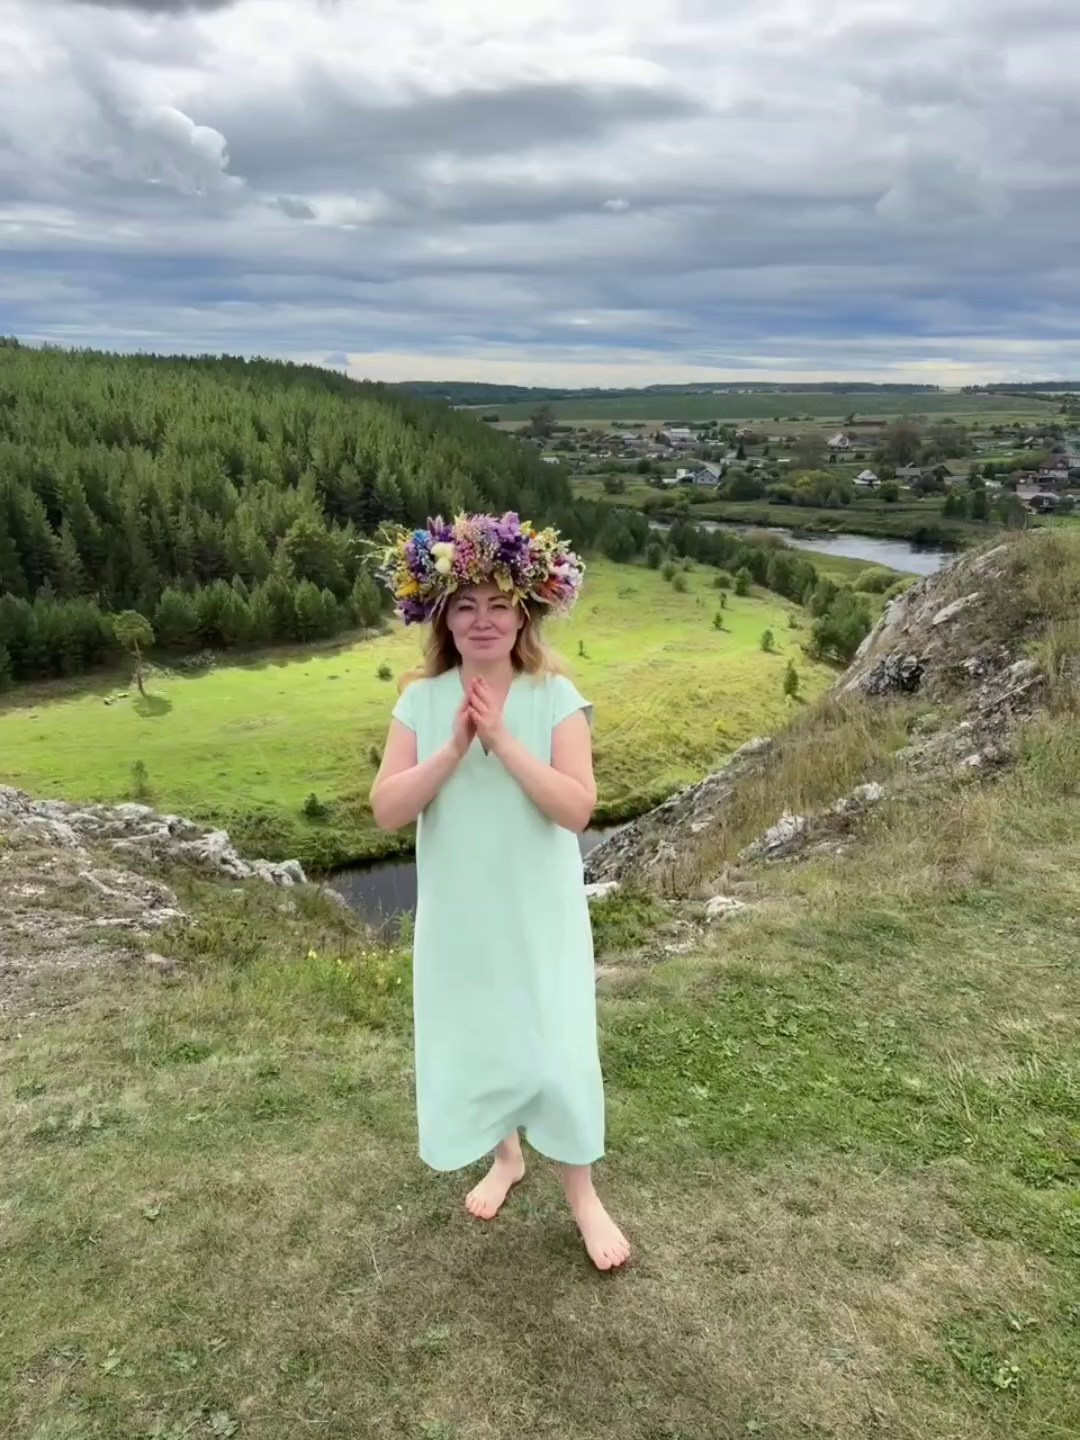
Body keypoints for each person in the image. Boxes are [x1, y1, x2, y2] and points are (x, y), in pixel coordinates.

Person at [370, 513, 630, 1271]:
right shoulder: (420, 701)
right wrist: (453, 745)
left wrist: (504, 742)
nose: (482, 620)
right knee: (481, 1035)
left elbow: (576, 809)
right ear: (442, 617)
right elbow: (388, 812)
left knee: (557, 1048)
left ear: (525, 611)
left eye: (498, 604)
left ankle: (583, 1195)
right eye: (464, 605)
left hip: (539, 911)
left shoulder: (555, 696)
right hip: (461, 912)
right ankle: (507, 1158)